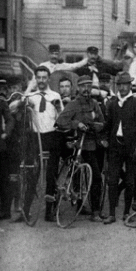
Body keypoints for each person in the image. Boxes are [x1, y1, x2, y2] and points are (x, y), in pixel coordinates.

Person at [55, 75, 106, 222]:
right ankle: (86, 208)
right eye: (83, 86)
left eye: (89, 86)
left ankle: (94, 209)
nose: (86, 89)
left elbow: (102, 122)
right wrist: (76, 124)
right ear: (78, 88)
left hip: (93, 144)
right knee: (84, 176)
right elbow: (60, 121)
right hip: (78, 145)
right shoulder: (73, 104)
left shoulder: (95, 104)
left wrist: (97, 126)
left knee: (96, 177)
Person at [103, 72, 136, 224]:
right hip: (115, 147)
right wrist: (104, 139)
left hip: (131, 147)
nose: (122, 88)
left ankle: (126, 212)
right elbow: (108, 125)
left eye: (125, 84)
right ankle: (111, 214)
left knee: (130, 180)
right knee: (112, 179)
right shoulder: (113, 104)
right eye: (120, 85)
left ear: (130, 86)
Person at [24, 66, 65, 222]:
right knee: (33, 174)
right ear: (36, 79)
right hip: (36, 138)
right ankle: (26, 210)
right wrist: (28, 105)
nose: (41, 81)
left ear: (48, 79)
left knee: (51, 175)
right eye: (38, 77)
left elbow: (61, 119)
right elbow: (16, 107)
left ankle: (49, 212)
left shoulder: (55, 96)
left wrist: (59, 107)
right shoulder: (31, 96)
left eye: (44, 77)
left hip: (52, 137)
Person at [0, 86, 13, 220]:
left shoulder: (0, 102)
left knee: (1, 179)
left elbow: (10, 120)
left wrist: (6, 133)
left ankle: (5, 211)